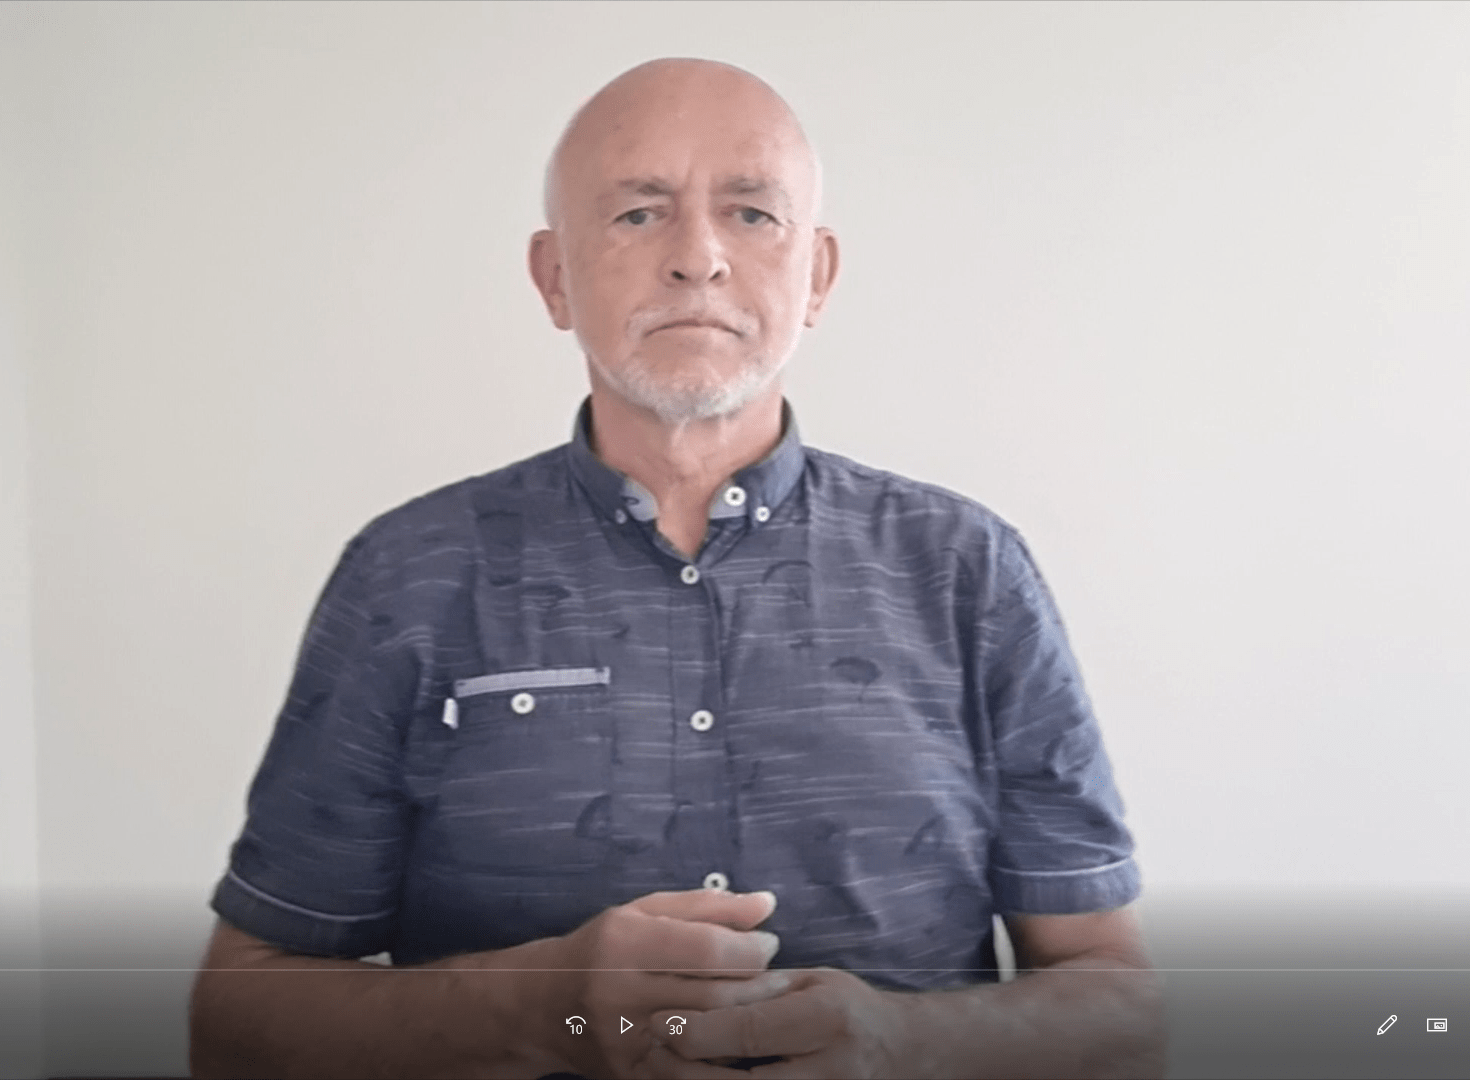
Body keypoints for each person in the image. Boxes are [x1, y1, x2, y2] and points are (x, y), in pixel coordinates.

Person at [189, 57, 1163, 1080]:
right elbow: (236, 1021)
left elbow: (1119, 1005)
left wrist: (905, 1043)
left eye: (752, 214)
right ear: (554, 277)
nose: (698, 258)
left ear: (817, 274)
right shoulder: (408, 576)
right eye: (638, 214)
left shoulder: (968, 572)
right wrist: (539, 1006)